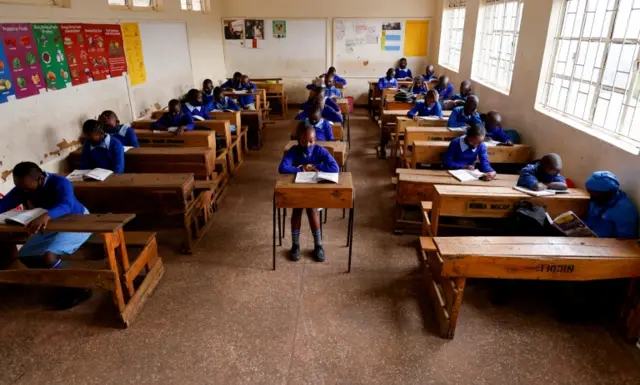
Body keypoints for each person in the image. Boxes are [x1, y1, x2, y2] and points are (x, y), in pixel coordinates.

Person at [0, 162, 93, 309]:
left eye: (26, 187)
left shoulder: (60, 183)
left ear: (40, 178)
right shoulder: (23, 188)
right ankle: (60, 282)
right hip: (50, 224)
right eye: (19, 186)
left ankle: (80, 287)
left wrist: (46, 216)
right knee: (27, 256)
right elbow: (4, 203)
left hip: (78, 221)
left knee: (48, 256)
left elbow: (66, 205)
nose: (23, 191)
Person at [278, 123, 339, 262]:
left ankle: (318, 245)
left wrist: (316, 166)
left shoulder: (319, 150)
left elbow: (335, 167)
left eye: (311, 141)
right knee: (297, 211)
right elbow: (282, 167)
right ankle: (295, 245)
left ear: (315, 139)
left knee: (312, 210)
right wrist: (300, 169)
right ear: (299, 139)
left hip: (313, 190)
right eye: (304, 141)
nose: (307, 144)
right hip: (297, 188)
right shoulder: (294, 150)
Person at [584, 171, 639, 239]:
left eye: (596, 193)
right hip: (591, 238)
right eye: (590, 192)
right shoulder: (597, 201)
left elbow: (626, 240)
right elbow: (591, 221)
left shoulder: (625, 210)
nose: (592, 196)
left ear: (609, 193)